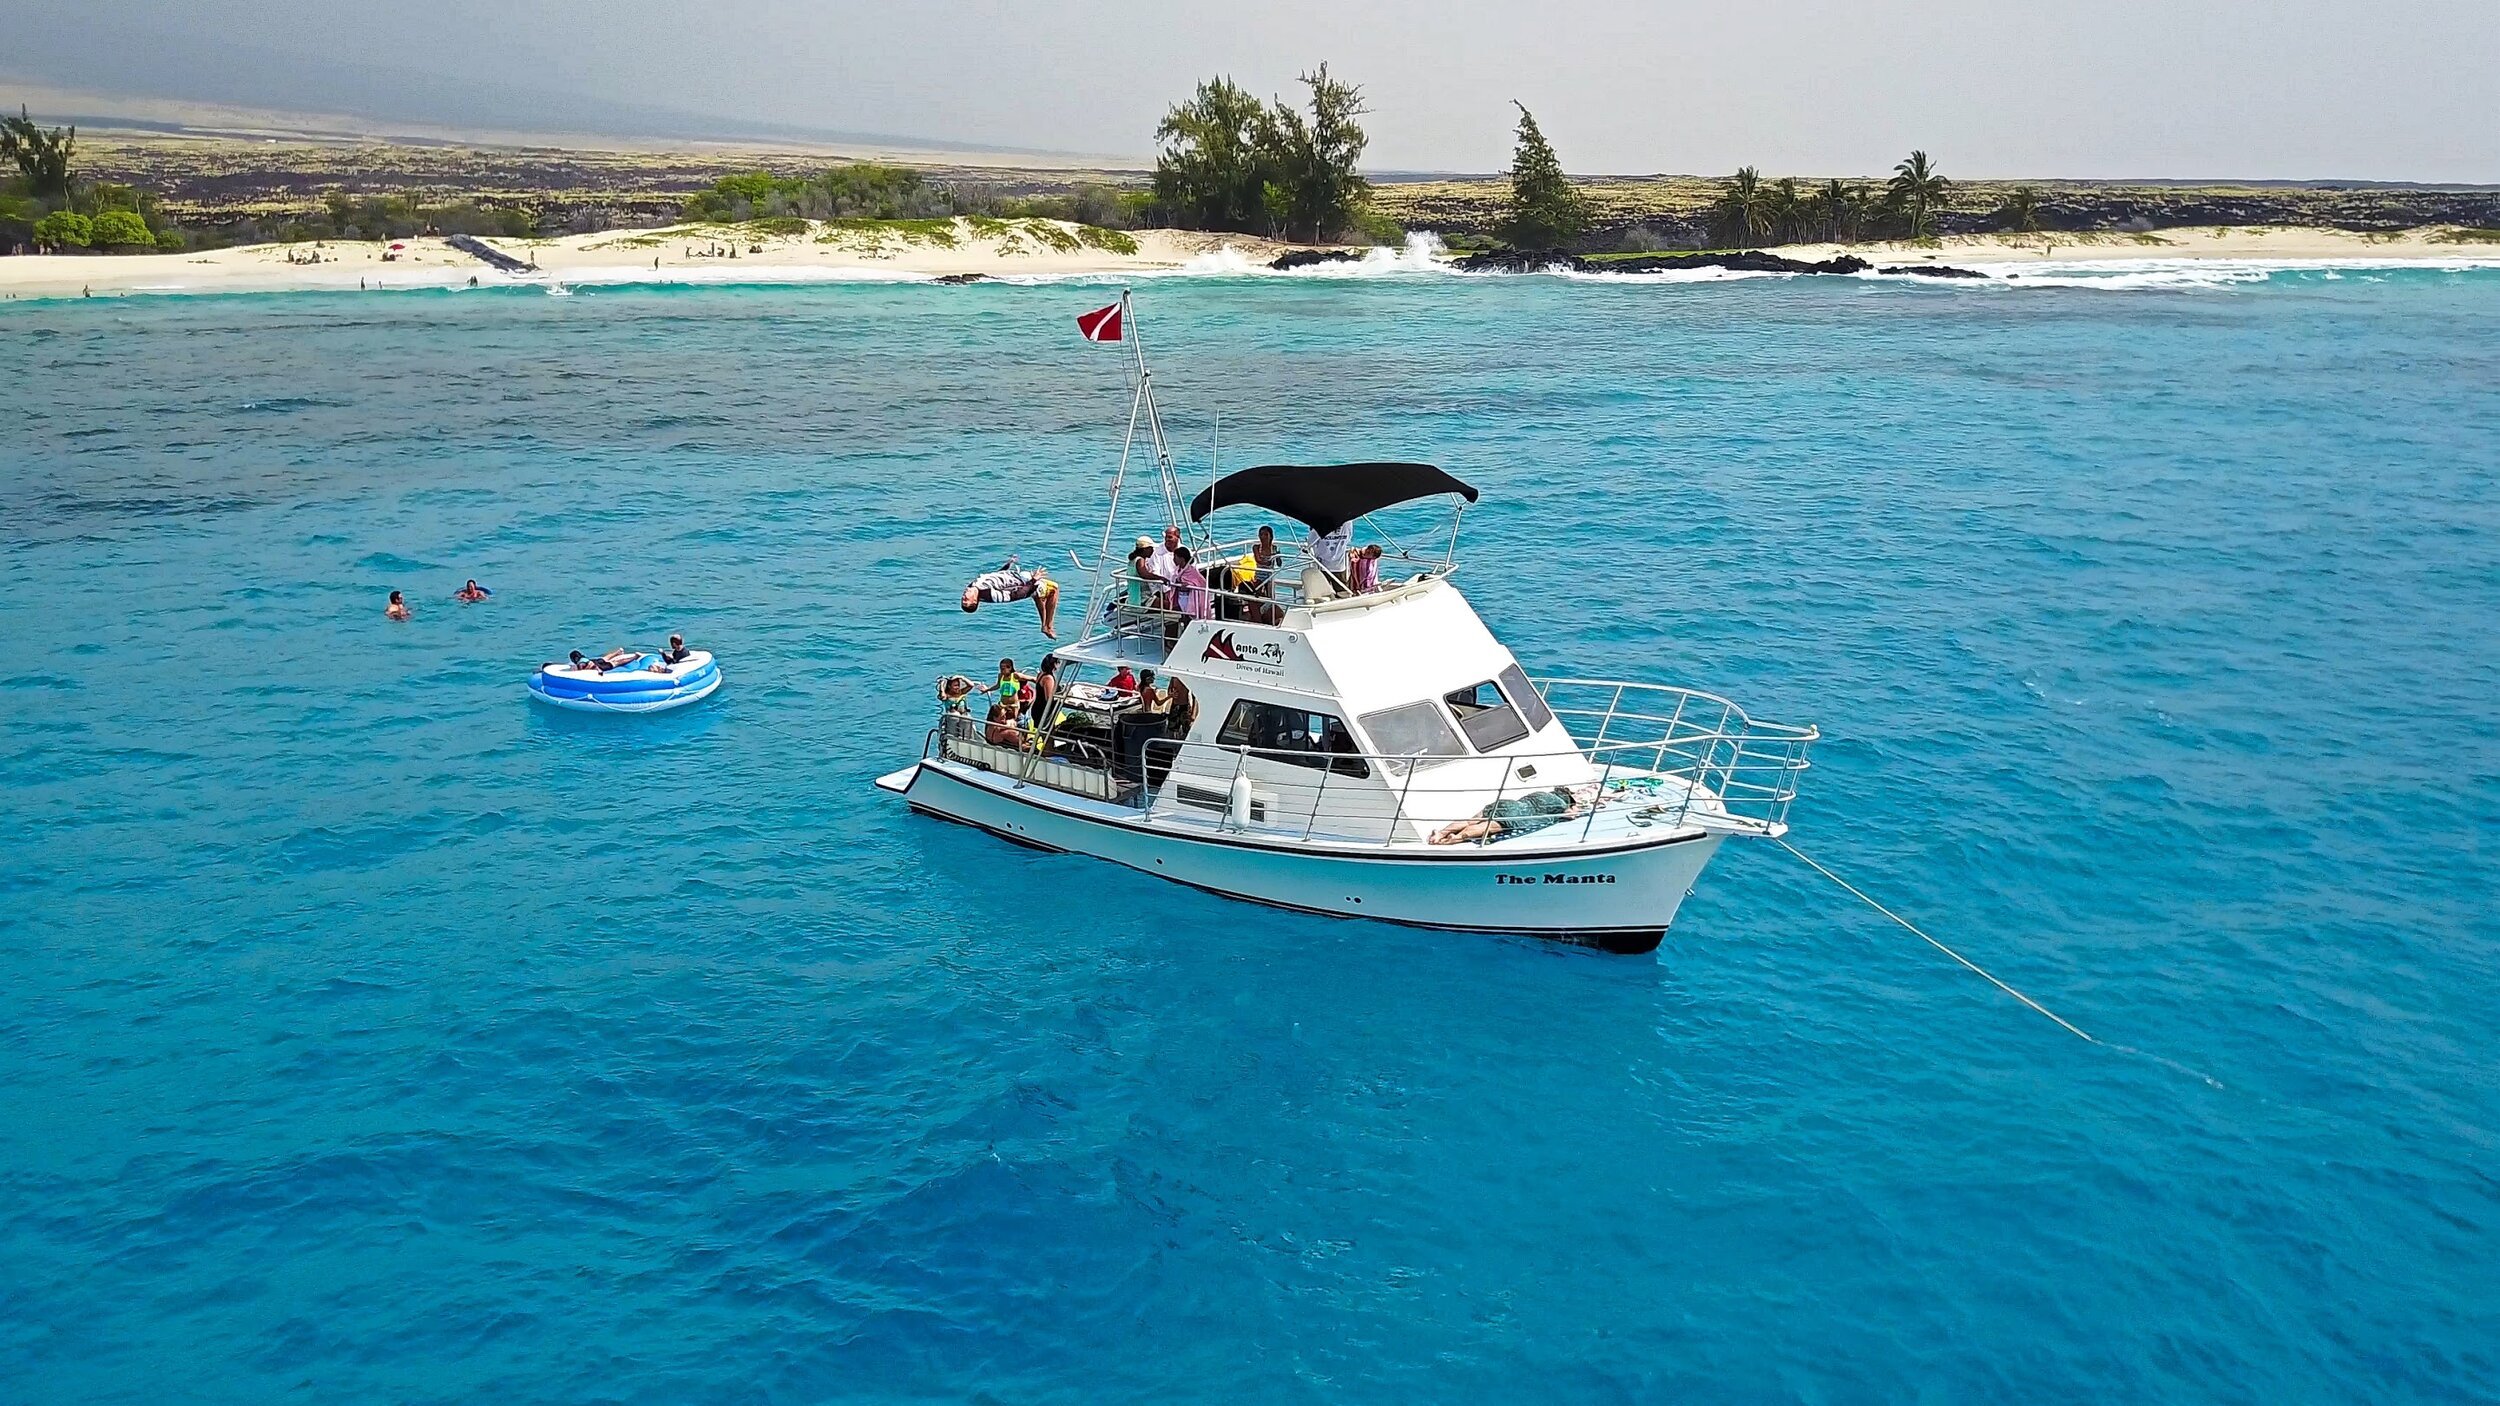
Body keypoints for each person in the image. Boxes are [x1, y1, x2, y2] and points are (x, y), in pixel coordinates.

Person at [1431, 787, 1587, 845]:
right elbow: (1571, 815)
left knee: (1471, 820)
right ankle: (1455, 839)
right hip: (1515, 816)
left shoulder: (1541, 793)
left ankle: (1441, 833)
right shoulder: (1560, 805)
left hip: (1507, 804)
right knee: (1485, 828)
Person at [960, 558, 1060, 638]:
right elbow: (1015, 595)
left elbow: (994, 577)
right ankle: (1049, 626)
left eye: (962, 599)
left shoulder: (972, 586)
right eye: (966, 600)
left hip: (1021, 579)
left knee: (1038, 595)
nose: (964, 596)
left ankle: (1044, 626)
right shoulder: (992, 595)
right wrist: (1033, 580)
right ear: (974, 601)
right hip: (1024, 582)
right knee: (1054, 589)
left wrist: (1007, 565)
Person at [1165, 546, 1209, 649]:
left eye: (1175, 557)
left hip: (1189, 599)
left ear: (1182, 558)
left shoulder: (1191, 571)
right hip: (1180, 598)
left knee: (1188, 619)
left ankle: (1190, 641)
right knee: (1176, 618)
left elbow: (1199, 583)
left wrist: (1188, 584)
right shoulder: (1178, 570)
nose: (1173, 559)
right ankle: (1174, 641)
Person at [1307, 518, 1353, 586]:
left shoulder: (1319, 524)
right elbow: (1349, 538)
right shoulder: (1347, 523)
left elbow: (1310, 543)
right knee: (1341, 592)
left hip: (1323, 565)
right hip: (1339, 565)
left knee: (1323, 591)